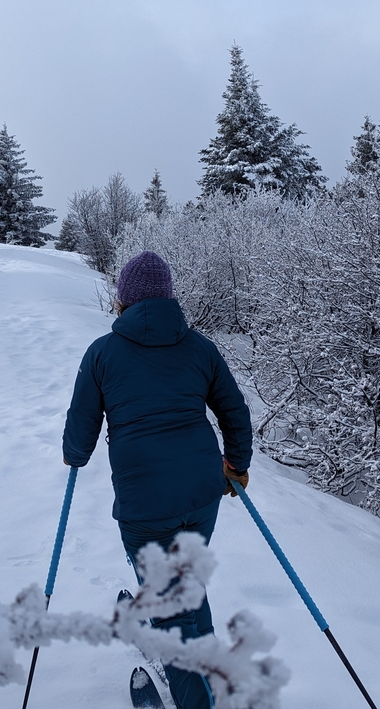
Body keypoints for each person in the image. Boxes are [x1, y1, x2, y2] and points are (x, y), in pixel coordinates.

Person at [62, 250, 252, 709]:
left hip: (145, 504)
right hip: (203, 492)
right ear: (169, 297)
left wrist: (75, 456)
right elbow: (235, 412)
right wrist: (236, 466)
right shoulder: (200, 347)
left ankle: (194, 697)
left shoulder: (102, 353)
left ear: (124, 300)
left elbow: (79, 429)